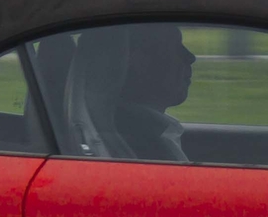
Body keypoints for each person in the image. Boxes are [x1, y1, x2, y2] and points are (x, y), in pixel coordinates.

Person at [70, 24, 195, 161]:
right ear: (138, 61)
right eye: (176, 47)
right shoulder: (149, 146)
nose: (190, 57)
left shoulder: (121, 129)